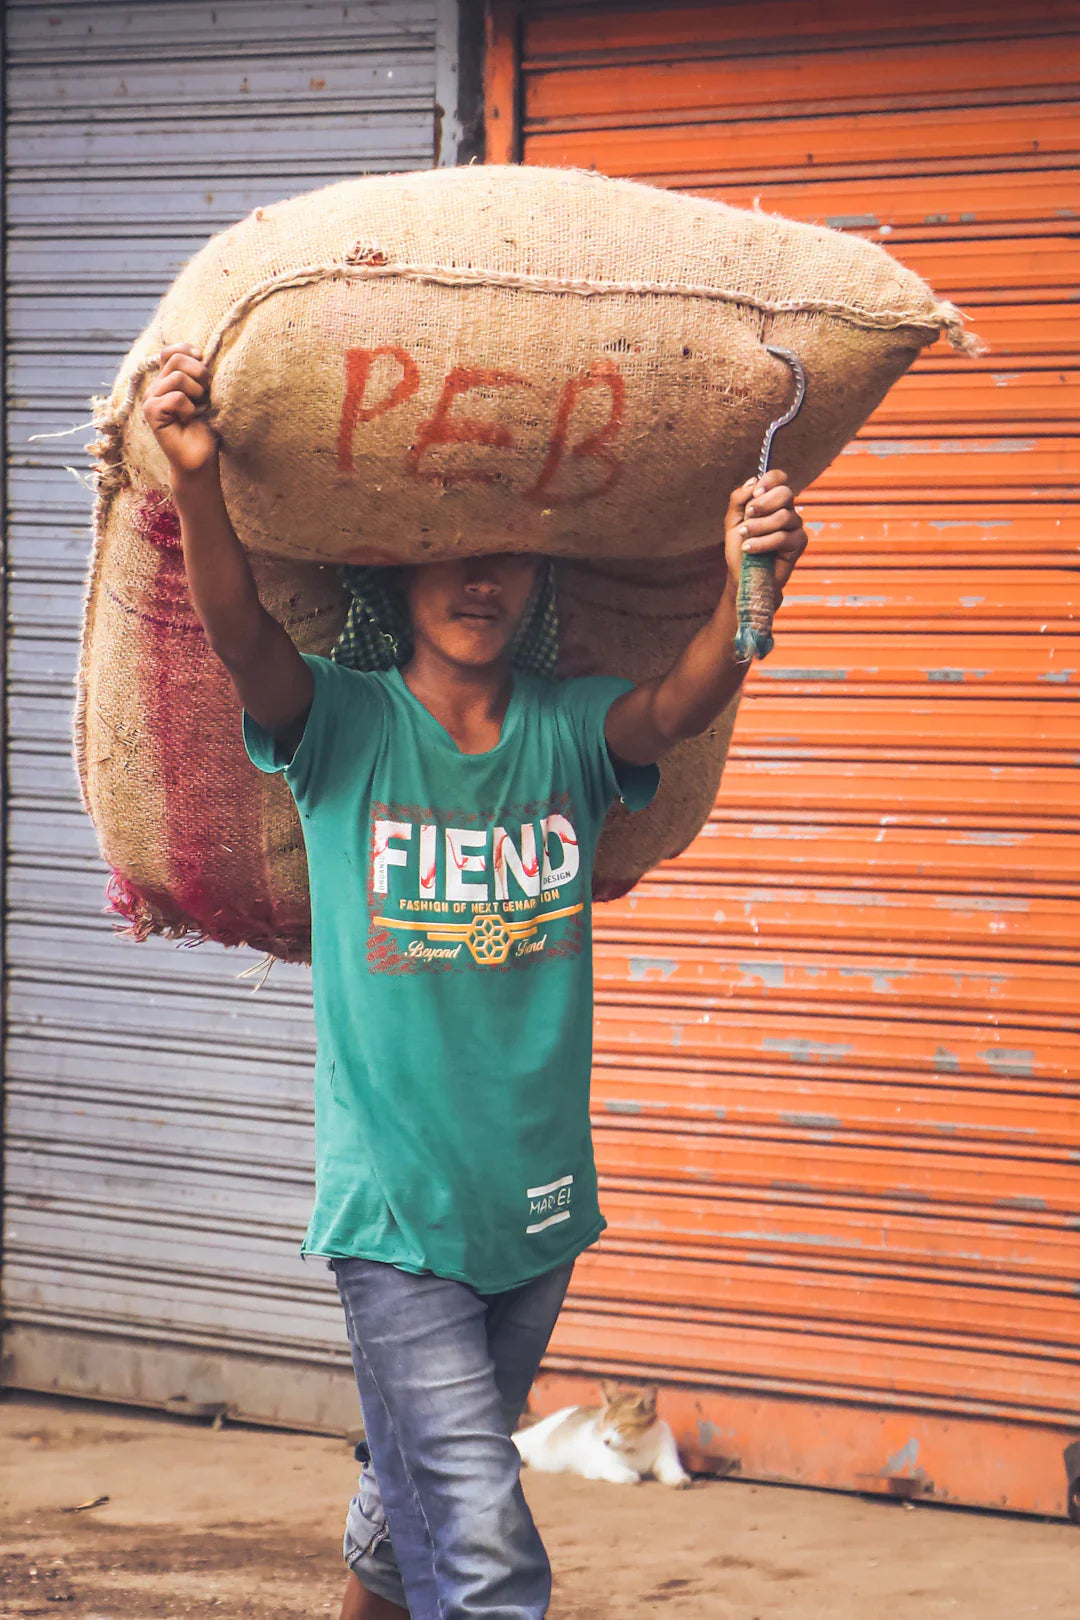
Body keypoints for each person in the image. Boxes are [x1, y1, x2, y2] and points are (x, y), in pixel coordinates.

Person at [144, 341, 808, 1620]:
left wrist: (748, 577)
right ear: (401, 580)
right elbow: (240, 635)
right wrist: (197, 483)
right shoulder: (341, 725)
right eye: (453, 555)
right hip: (397, 1212)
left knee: (419, 1497)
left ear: (538, 585)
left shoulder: (568, 731)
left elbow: (678, 703)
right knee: (486, 1541)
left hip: (540, 1205)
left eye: (507, 559)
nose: (481, 580)